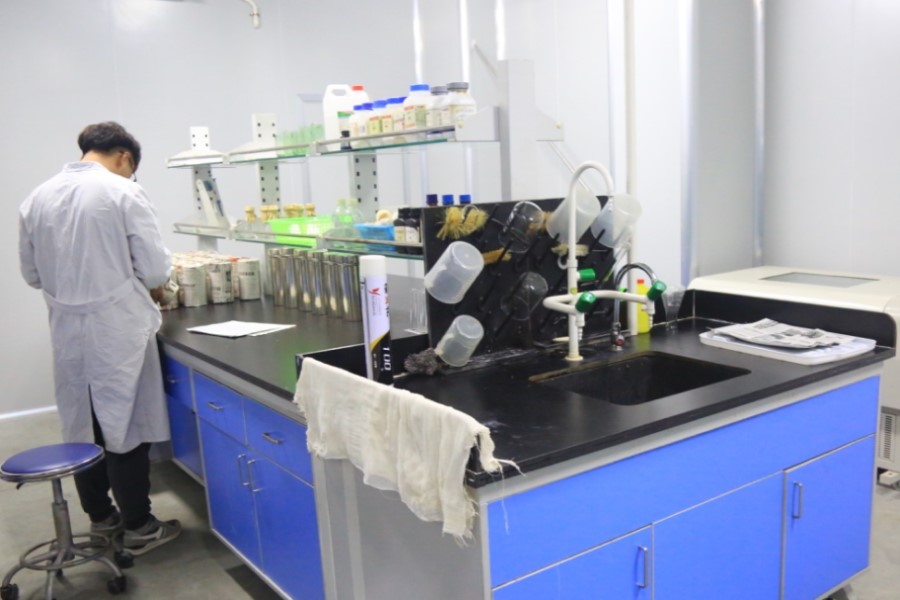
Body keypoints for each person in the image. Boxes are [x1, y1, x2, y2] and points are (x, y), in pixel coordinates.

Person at [18, 122, 181, 556]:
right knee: (126, 428)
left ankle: (101, 518)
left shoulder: (36, 198)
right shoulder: (123, 192)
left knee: (83, 427)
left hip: (68, 331)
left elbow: (31, 274)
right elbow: (154, 270)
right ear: (125, 157)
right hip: (117, 328)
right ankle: (140, 527)